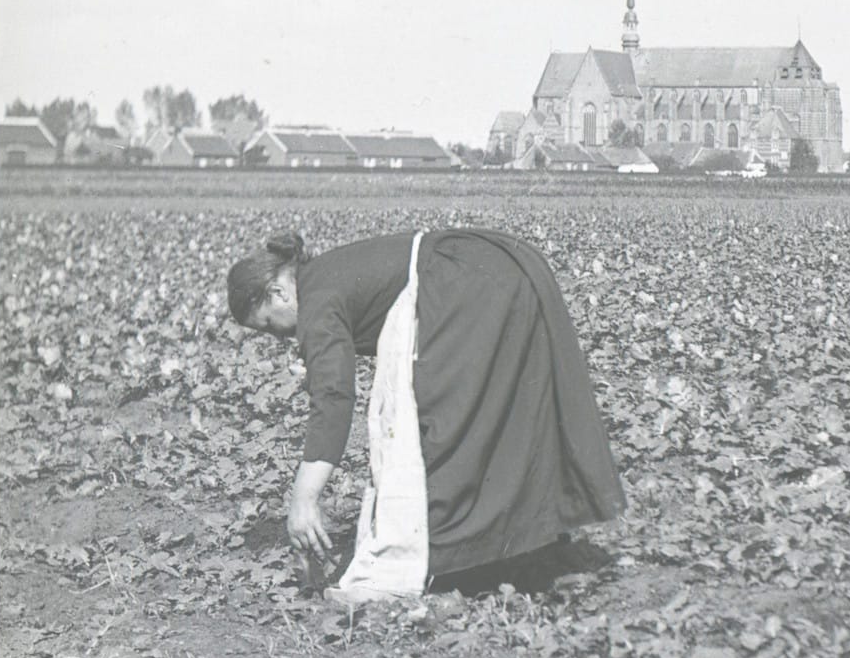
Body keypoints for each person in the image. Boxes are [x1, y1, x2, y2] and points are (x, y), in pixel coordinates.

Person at [226, 227, 626, 591]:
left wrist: (304, 496)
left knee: (446, 424)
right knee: (513, 412)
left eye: (268, 326)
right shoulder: (322, 279)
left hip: (465, 284)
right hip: (495, 266)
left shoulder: (315, 303)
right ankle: (533, 546)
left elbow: (332, 397)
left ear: (278, 292)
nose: (280, 337)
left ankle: (464, 559)